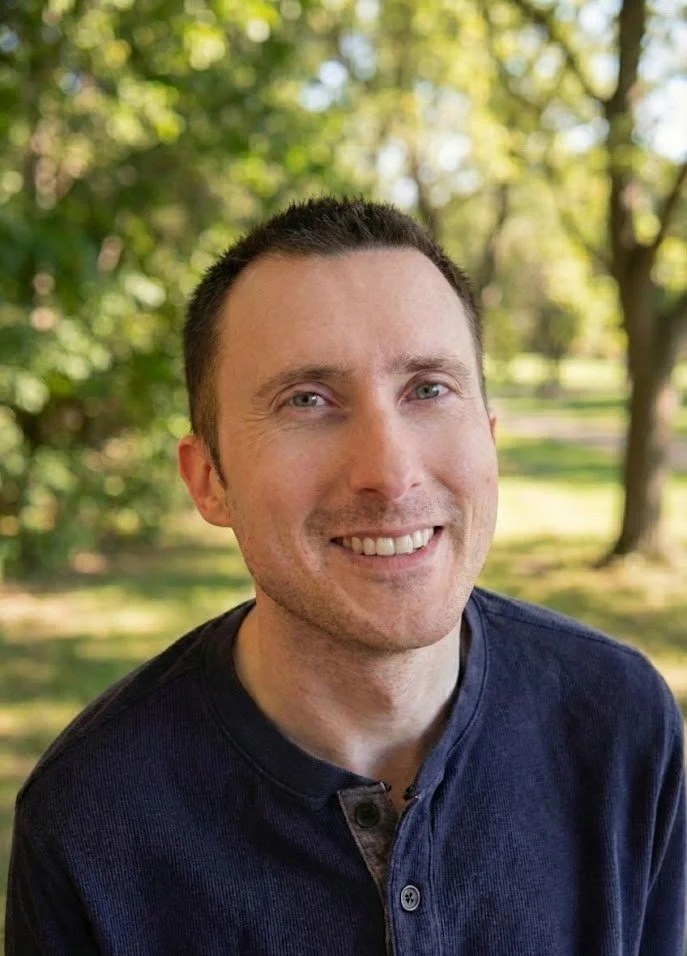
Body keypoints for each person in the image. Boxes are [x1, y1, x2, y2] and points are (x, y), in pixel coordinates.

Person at [6, 197, 685, 955]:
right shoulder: (91, 816)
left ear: (489, 442)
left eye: (428, 388)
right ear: (209, 481)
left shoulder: (619, 722)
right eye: (307, 400)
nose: (389, 474)